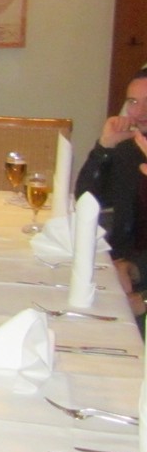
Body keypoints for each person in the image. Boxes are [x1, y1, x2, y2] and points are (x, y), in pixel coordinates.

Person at [77, 69, 147, 330]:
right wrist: (104, 148)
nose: (140, 112)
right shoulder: (130, 148)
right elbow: (85, 200)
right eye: (133, 102)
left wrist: (143, 299)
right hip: (125, 270)